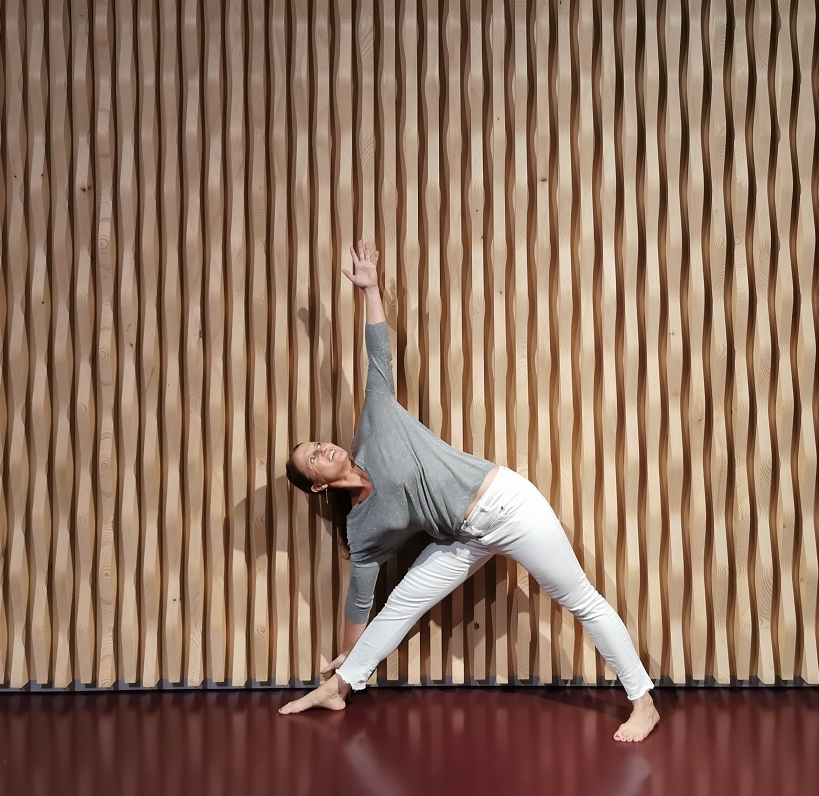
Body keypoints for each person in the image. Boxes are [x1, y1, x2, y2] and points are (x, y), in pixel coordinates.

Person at [278, 239, 660, 742]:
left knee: (581, 600)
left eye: (320, 443)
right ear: (315, 487)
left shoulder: (373, 422)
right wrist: (347, 663)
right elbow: (360, 601)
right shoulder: (362, 525)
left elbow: (377, 350)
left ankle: (643, 703)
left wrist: (370, 290)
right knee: (400, 604)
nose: (323, 449)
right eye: (312, 458)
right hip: (463, 537)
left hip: (508, 505)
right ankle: (339, 690)